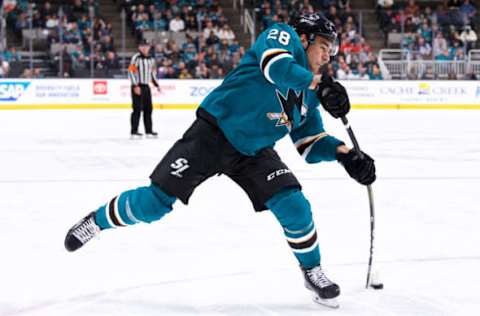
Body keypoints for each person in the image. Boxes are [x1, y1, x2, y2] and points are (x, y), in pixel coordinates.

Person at [65, 13, 376, 307]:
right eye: (325, 47)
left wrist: (345, 155)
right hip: (213, 133)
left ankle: (312, 272)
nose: (329, 56)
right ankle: (97, 221)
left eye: (332, 50)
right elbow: (275, 68)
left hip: (255, 151)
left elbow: (309, 143)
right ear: (304, 38)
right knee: (155, 203)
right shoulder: (282, 36)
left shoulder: (308, 94)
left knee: (294, 204)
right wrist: (318, 84)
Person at [128, 39, 160, 138]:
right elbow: (131, 72)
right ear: (139, 47)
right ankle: (134, 132)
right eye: (142, 46)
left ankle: (149, 131)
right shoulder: (136, 58)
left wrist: (156, 85)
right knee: (137, 109)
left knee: (148, 109)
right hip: (138, 86)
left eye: (146, 46)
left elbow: (152, 73)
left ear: (149, 47)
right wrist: (135, 85)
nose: (144, 48)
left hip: (146, 87)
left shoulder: (151, 59)